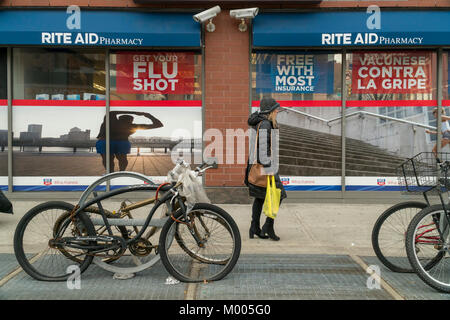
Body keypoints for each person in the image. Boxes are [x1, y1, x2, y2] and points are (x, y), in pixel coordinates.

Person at [244, 97, 287, 241]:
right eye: (275, 109)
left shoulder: (261, 123)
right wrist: (270, 168)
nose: (277, 111)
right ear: (270, 111)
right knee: (279, 194)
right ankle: (268, 225)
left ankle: (255, 227)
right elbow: (263, 151)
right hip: (266, 166)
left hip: (260, 165)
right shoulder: (266, 125)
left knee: (260, 197)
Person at [96, 111, 163, 172]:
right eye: (131, 121)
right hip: (120, 142)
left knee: (108, 160)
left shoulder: (110, 122)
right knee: (122, 160)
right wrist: (148, 115)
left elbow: (111, 113)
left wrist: (134, 113)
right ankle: (121, 172)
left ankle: (111, 172)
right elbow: (158, 124)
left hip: (105, 142)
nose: (131, 122)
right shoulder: (131, 126)